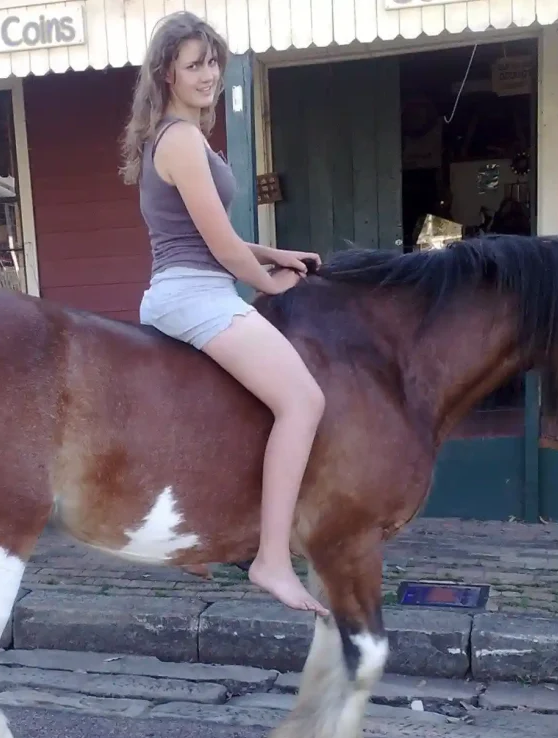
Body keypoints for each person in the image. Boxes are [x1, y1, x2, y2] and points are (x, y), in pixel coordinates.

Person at [120, 11, 329, 617]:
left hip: (186, 287)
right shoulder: (181, 140)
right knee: (303, 401)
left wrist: (274, 253)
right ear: (167, 73)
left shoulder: (178, 136)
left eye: (213, 62)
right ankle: (271, 559)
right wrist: (269, 283)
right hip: (195, 293)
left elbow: (213, 233)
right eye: (194, 65)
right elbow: (219, 248)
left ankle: (186, 537)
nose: (208, 74)